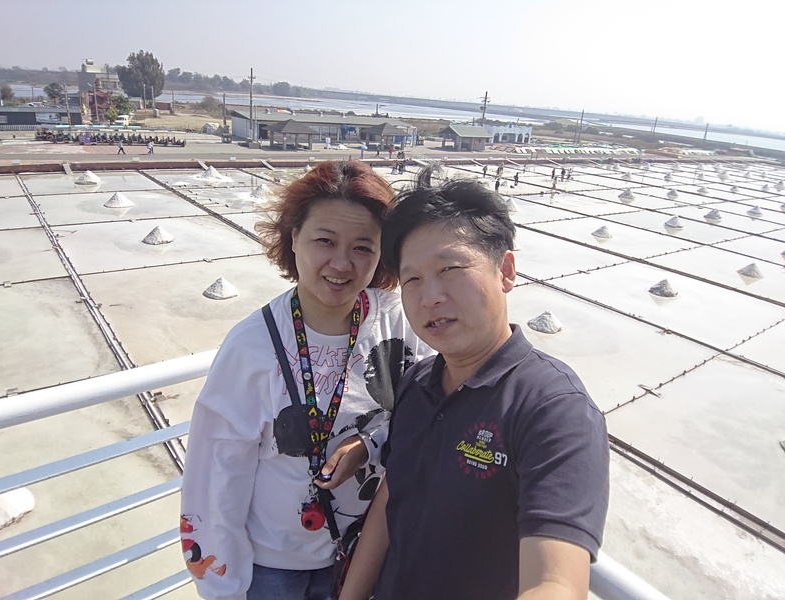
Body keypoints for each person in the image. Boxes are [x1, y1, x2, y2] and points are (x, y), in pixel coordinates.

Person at [340, 169, 609, 600]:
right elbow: (392, 496)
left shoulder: (553, 408)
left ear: (506, 271)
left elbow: (556, 582)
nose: (430, 297)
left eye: (450, 268)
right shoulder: (417, 381)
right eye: (413, 279)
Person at [181, 160, 430, 600]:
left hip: (368, 555)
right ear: (293, 237)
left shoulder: (397, 322)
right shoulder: (251, 346)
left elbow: (432, 411)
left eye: (363, 247)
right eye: (325, 241)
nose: (342, 263)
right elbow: (215, 478)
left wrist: (370, 443)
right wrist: (224, 587)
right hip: (274, 570)